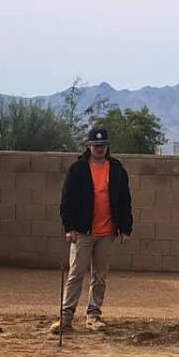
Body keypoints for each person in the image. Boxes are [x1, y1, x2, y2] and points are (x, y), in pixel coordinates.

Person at [52, 127, 133, 335]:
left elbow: (124, 201)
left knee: (100, 275)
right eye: (96, 145)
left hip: (107, 232)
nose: (99, 149)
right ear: (89, 147)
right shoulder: (78, 169)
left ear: (107, 147)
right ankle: (66, 316)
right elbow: (67, 201)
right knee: (75, 274)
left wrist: (125, 227)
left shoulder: (116, 169)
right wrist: (68, 226)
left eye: (103, 145)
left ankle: (94, 315)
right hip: (82, 232)